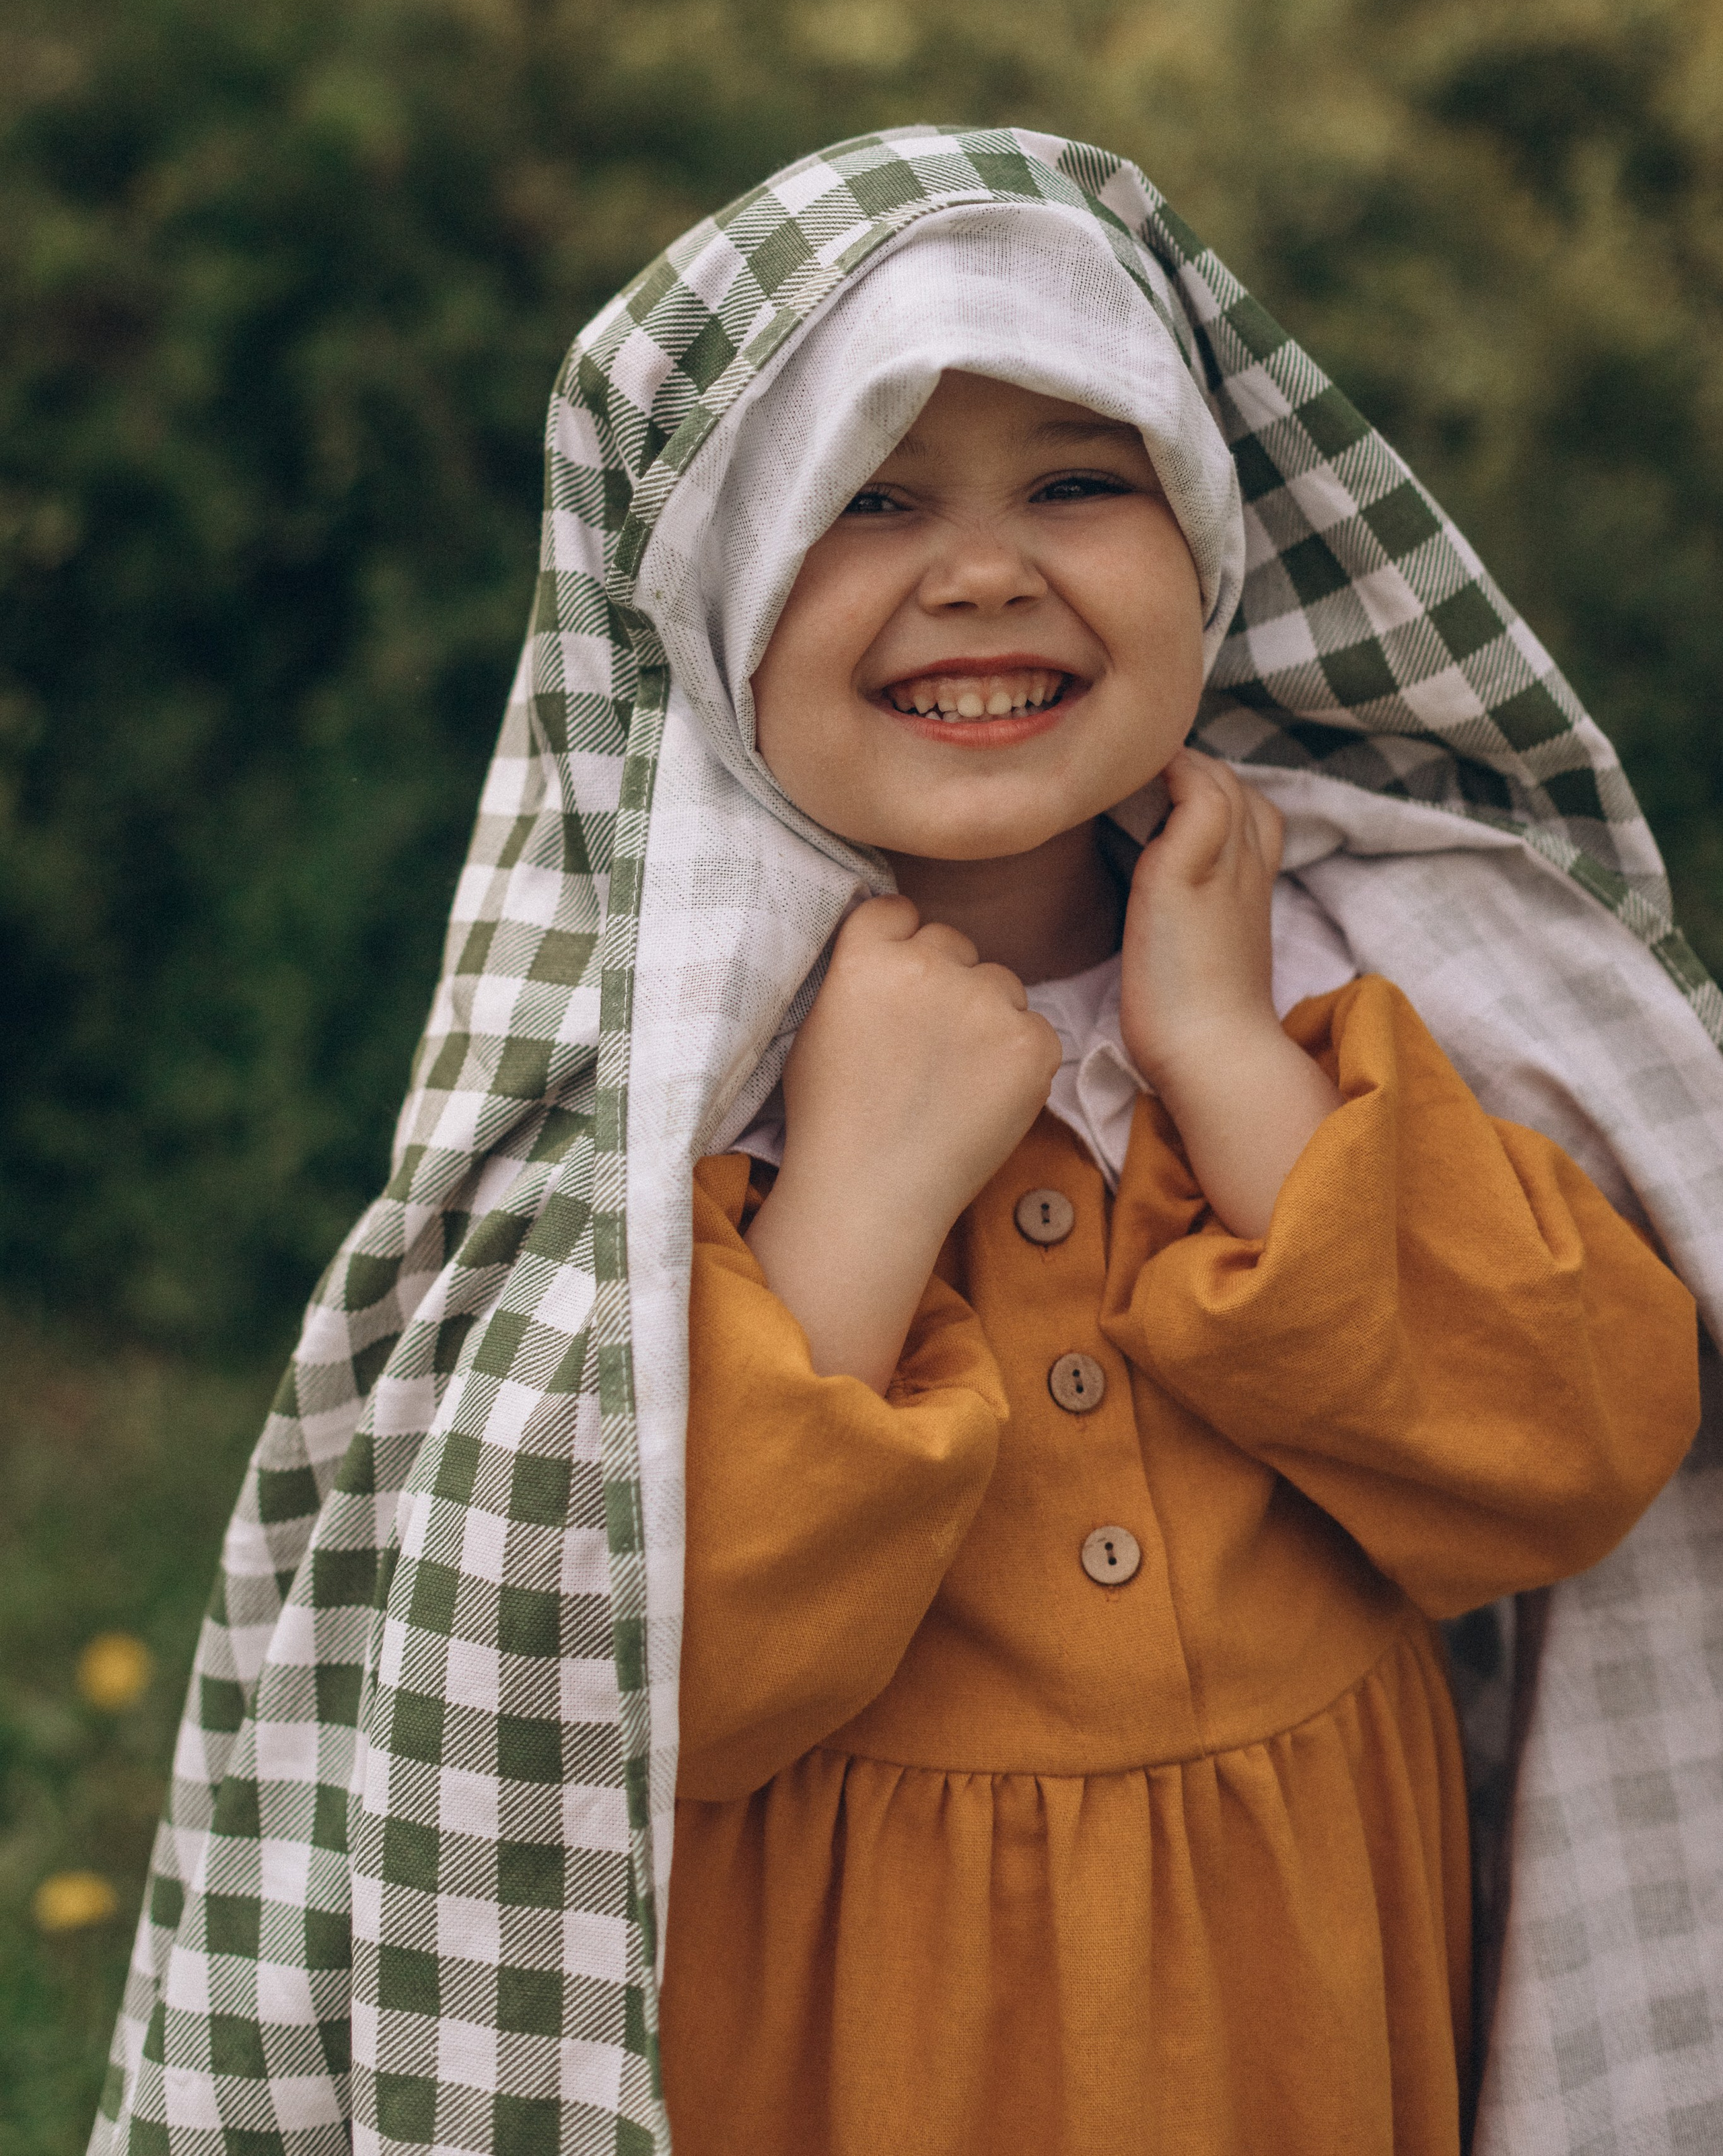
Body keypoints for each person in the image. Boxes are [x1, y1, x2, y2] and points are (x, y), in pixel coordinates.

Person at [95, 130, 1723, 2156]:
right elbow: (643, 1696)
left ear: (1209, 545)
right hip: (851, 2062)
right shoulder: (655, 1133)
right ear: (718, 595)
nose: (980, 568)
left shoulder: (1338, 1012)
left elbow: (1564, 1458)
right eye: (869, 500)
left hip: (1309, 2044)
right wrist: (864, 1188)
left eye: (1075, 478)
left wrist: (1216, 1046)